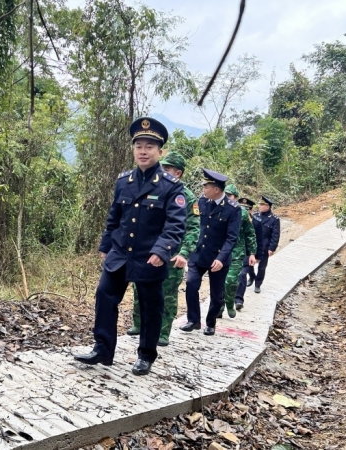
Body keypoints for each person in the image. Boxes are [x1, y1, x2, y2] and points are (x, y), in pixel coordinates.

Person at [74, 117, 186, 376]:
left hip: (149, 257)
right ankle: (102, 350)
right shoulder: (123, 181)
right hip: (120, 253)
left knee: (149, 307)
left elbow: (175, 224)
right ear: (133, 149)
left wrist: (161, 251)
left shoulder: (171, 186)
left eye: (149, 146)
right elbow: (114, 216)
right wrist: (105, 246)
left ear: (160, 151)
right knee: (104, 296)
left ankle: (146, 355)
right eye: (139, 146)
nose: (143, 151)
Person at [127, 151, 200, 347]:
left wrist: (184, 253)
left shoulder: (187, 197)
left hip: (171, 255)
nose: (162, 171)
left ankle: (163, 332)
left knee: (166, 295)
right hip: (147, 253)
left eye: (167, 169)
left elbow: (193, 228)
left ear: (178, 173)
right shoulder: (153, 187)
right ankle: (138, 323)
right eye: (162, 167)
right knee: (138, 289)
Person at [180, 169, 240, 336]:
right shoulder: (201, 202)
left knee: (216, 294)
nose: (203, 189)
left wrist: (221, 258)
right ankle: (193, 320)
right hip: (198, 254)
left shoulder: (233, 209)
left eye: (206, 186)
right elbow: (195, 225)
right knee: (191, 284)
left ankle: (210, 323)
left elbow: (231, 238)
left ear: (216, 189)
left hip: (218, 257)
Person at [217, 186, 257, 317]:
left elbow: (250, 234)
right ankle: (220, 308)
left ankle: (229, 302)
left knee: (231, 281)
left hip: (237, 253)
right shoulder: (217, 209)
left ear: (235, 197)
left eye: (230, 195)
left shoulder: (243, 213)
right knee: (220, 281)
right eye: (226, 195)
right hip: (220, 253)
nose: (227, 197)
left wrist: (252, 253)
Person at [248, 195, 280, 293]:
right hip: (254, 244)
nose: (260, 206)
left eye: (262, 205)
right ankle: (252, 276)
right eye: (260, 204)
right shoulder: (256, 216)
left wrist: (272, 248)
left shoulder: (274, 219)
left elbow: (275, 235)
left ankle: (258, 284)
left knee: (262, 267)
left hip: (265, 246)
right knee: (248, 263)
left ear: (268, 207)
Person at [230, 197, 257, 311]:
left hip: (246, 252)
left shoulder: (256, 221)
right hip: (233, 252)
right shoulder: (234, 217)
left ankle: (238, 299)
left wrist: (255, 254)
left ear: (250, 210)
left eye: (246, 209)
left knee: (241, 275)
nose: (244, 210)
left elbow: (257, 238)